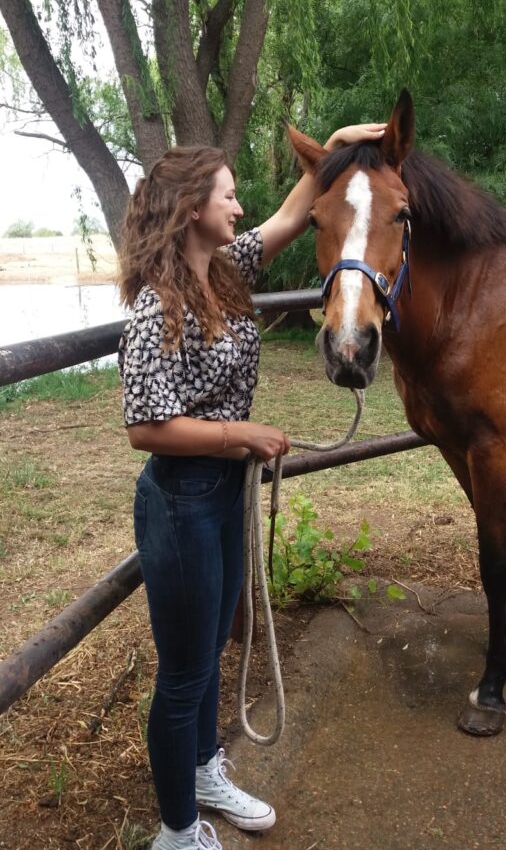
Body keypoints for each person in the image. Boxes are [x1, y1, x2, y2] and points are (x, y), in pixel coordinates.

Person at [117, 122, 387, 850]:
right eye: (229, 196)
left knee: (210, 653)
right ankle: (176, 832)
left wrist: (330, 147)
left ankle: (204, 770)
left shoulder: (226, 271)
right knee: (183, 674)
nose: (239, 209)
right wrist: (245, 434)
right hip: (180, 502)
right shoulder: (156, 305)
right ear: (191, 208)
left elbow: (296, 214)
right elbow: (147, 426)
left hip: (222, 495)